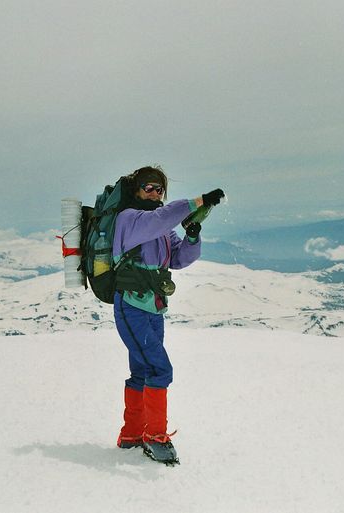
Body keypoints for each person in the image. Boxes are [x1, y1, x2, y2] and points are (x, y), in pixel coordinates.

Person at [112, 165, 224, 464]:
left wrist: (191, 236)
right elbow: (160, 218)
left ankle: (132, 434)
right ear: (136, 190)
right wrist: (197, 201)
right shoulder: (130, 219)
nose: (155, 193)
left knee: (143, 371)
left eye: (160, 189)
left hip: (153, 306)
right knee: (159, 369)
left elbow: (179, 259)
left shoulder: (160, 229)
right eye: (149, 187)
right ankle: (155, 437)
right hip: (132, 306)